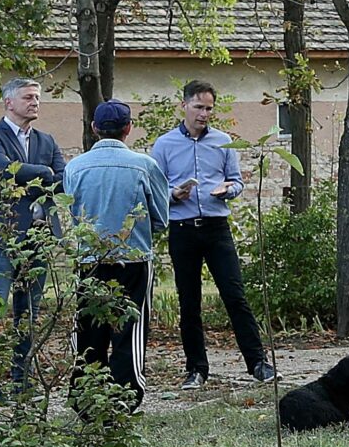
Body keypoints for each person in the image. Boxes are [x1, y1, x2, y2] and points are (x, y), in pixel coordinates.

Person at [153, 80, 275, 388]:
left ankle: (258, 363)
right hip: (182, 230)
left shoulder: (222, 142)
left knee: (235, 295)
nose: (204, 114)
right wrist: (172, 194)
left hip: (217, 229)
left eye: (209, 108)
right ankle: (196, 369)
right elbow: (155, 188)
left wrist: (229, 189)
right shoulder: (164, 145)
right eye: (198, 107)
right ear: (184, 106)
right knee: (189, 301)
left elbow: (236, 181)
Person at [63, 100, 171, 408]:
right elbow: (161, 218)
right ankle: (126, 396)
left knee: (88, 327)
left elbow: (72, 214)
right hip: (133, 258)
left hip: (89, 260)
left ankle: (86, 395)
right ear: (128, 128)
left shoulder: (75, 167)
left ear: (94, 128)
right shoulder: (145, 165)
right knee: (130, 329)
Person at [0, 76, 65, 340]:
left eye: (37, 97)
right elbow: (3, 170)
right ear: (9, 102)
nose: (35, 102)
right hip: (1, 237)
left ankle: (21, 380)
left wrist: (34, 175)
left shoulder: (46, 140)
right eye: (28, 97)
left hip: (39, 238)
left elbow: (63, 180)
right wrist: (44, 173)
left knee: (29, 316)